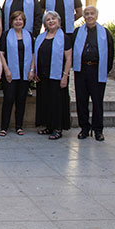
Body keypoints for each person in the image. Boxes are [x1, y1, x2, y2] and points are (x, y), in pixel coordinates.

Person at [72, 6, 114, 142]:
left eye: (92, 14)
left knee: (97, 101)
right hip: (82, 70)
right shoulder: (77, 32)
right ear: (83, 17)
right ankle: (84, 128)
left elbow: (110, 52)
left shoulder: (105, 33)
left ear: (96, 16)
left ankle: (98, 130)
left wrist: (105, 70)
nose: (89, 16)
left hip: (97, 70)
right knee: (81, 100)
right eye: (87, 14)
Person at [31, 11, 72, 140]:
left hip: (58, 76)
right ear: (45, 23)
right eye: (48, 19)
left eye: (53, 18)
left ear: (58, 20)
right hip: (42, 76)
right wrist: (33, 70)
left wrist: (65, 76)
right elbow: (34, 55)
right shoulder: (41, 37)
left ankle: (58, 128)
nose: (51, 21)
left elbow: (69, 58)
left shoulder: (64, 38)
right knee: (46, 101)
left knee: (57, 102)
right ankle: (49, 126)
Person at [0, 11, 34, 136]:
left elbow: (34, 54)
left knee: (21, 100)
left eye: (20, 19)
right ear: (11, 21)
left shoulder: (29, 35)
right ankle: (4, 127)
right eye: (15, 19)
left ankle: (19, 126)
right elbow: (1, 54)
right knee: (8, 99)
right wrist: (6, 70)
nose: (18, 21)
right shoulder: (6, 35)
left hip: (25, 73)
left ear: (24, 22)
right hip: (10, 73)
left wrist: (31, 70)